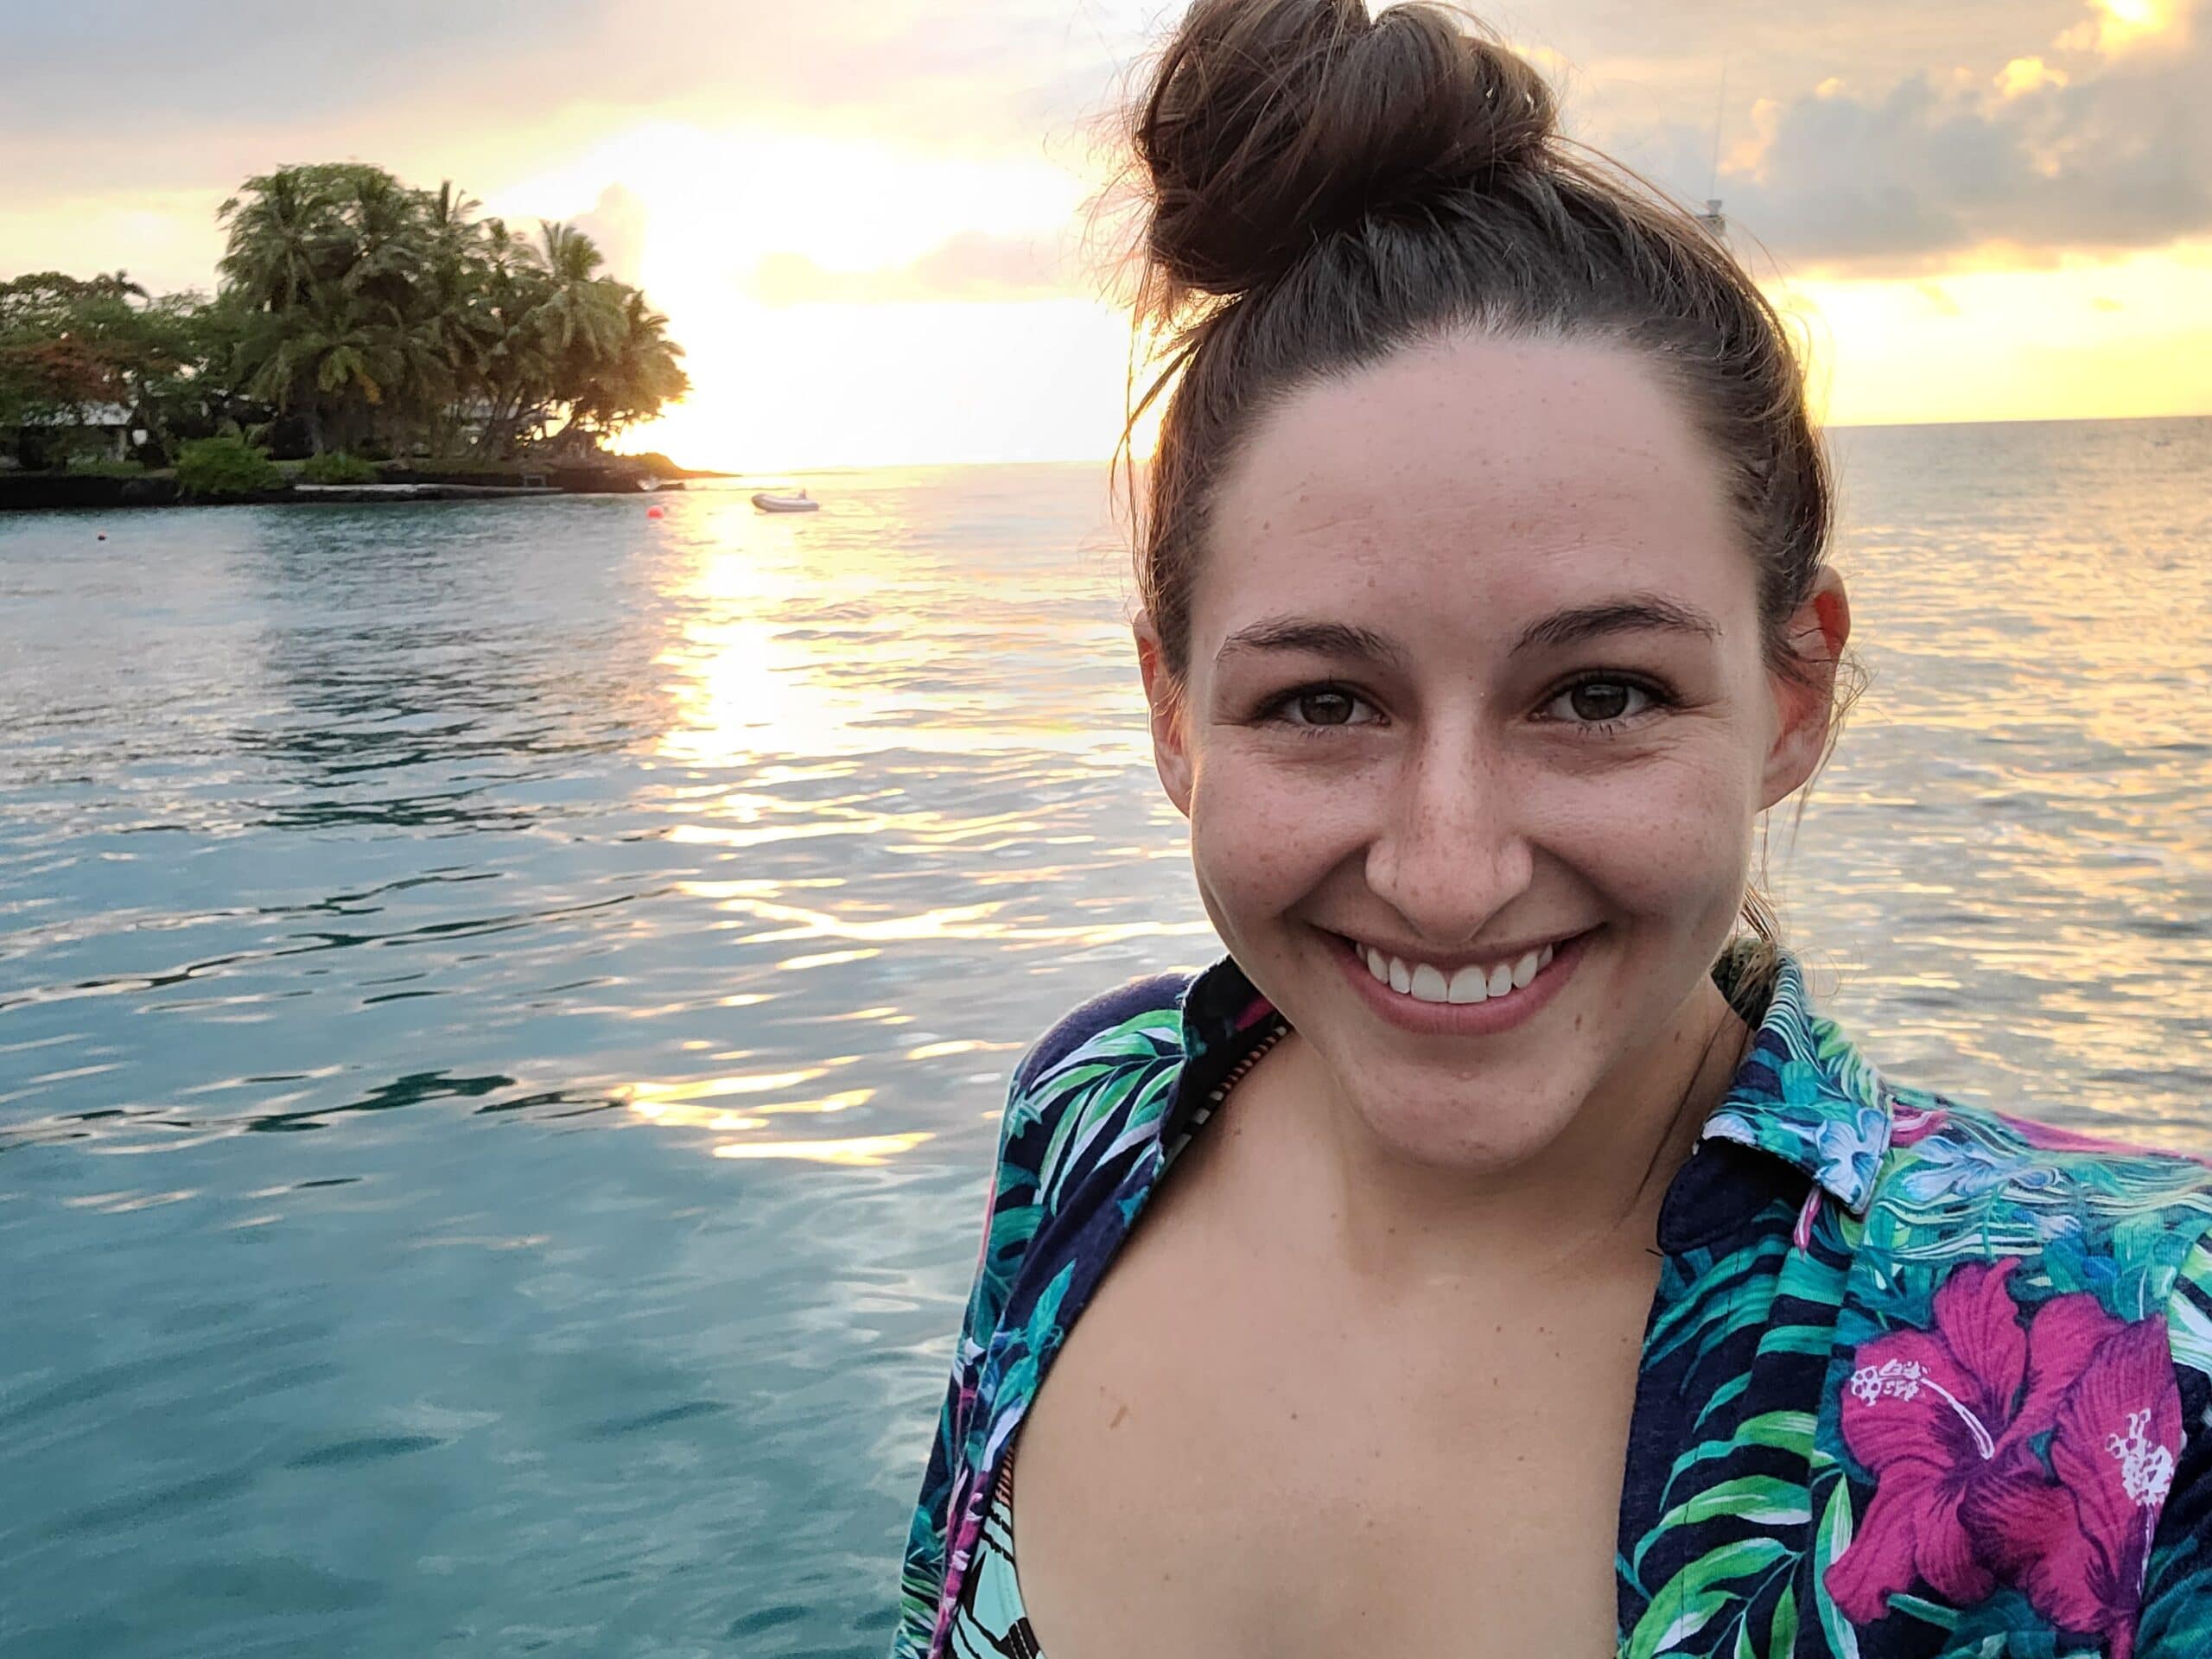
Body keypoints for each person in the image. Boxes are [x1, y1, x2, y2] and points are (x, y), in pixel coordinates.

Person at [887, 2, 2212, 1654]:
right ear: (1172, 713)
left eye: (1598, 696)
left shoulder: (2122, 1365)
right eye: (1322, 703)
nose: (1450, 873)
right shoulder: (1096, 1128)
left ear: (1792, 694)